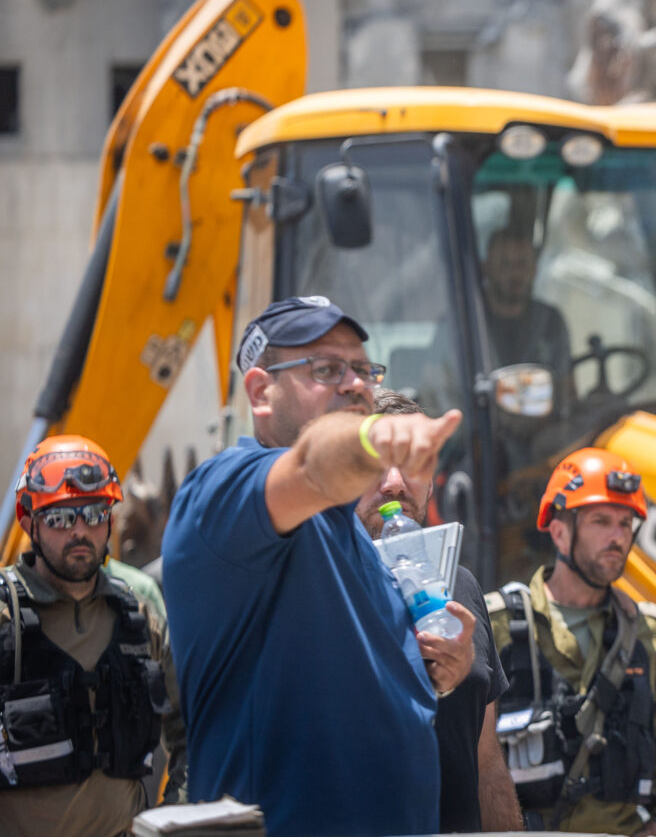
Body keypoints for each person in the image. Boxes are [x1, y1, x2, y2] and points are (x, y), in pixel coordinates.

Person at [161, 296, 475, 837]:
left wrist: (439, 677)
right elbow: (312, 463)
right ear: (261, 391)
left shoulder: (352, 535)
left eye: (362, 368)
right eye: (326, 369)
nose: (354, 384)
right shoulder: (224, 493)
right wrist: (370, 440)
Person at [355, 388, 523, 833]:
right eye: (374, 464)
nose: (394, 482)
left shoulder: (462, 588)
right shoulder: (319, 591)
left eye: (412, 463)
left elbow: (486, 760)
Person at [490, 447, 656, 834]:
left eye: (626, 524)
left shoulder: (649, 634)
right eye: (601, 521)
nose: (618, 537)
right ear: (559, 532)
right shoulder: (497, 625)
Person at [1, 435, 178, 837]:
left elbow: (190, 732)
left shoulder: (140, 615)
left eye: (95, 514)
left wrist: (177, 815)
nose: (81, 531)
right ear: (28, 520)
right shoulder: (4, 617)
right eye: (62, 518)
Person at [483, 226, 573, 379]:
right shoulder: (469, 322)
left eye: (522, 263)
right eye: (505, 264)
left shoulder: (550, 322)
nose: (515, 273)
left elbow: (566, 387)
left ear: (534, 269)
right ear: (487, 267)